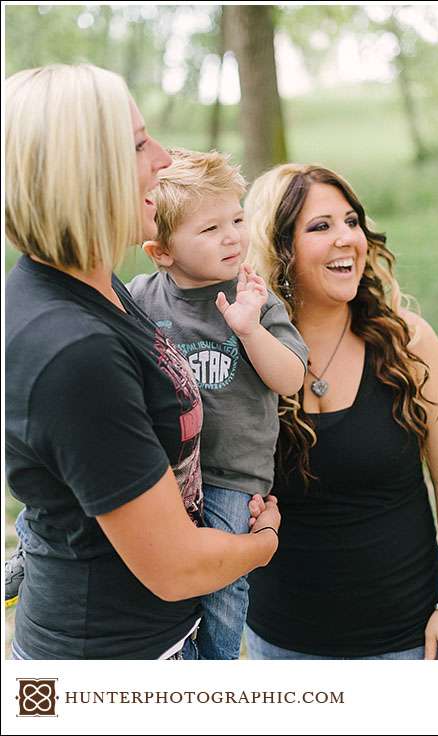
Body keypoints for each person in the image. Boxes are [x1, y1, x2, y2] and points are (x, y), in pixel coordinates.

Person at [4, 63, 280, 659]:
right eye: (136, 144)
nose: (162, 158)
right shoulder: (73, 349)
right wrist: (263, 542)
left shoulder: (90, 283)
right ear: (81, 173)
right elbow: (175, 568)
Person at [242, 164, 438, 660]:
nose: (347, 238)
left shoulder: (409, 343)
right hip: (281, 644)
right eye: (321, 227)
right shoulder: (245, 354)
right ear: (279, 249)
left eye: (352, 222)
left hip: (407, 640)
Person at [127, 148, 308, 659]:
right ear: (161, 252)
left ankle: (216, 675)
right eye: (209, 230)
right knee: (160, 570)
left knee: (224, 588)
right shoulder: (142, 296)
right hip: (165, 473)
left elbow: (291, 378)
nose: (232, 236)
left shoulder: (254, 295)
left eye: (236, 218)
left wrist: (250, 329)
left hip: (232, 475)